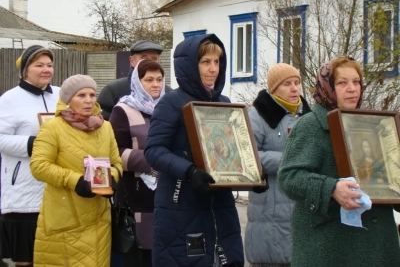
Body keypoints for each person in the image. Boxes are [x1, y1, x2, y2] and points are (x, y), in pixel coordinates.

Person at [277, 57, 400, 267]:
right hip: (329, 245)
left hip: (378, 244)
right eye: (342, 83)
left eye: (356, 82)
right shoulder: (311, 125)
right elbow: (289, 177)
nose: (352, 89)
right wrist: (331, 188)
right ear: (327, 87)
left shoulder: (373, 125)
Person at [144, 34, 247, 266]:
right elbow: (153, 150)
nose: (213, 69)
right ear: (190, 65)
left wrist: (252, 174)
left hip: (220, 206)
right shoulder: (171, 103)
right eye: (205, 62)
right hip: (180, 205)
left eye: (217, 62)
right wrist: (189, 171)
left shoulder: (224, 102)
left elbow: (235, 150)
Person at [29, 74, 123, 267]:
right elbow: (38, 166)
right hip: (66, 217)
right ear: (67, 100)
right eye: (81, 95)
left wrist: (111, 179)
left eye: (92, 94)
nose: (88, 100)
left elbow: (117, 162)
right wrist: (76, 181)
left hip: (99, 217)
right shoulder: (52, 128)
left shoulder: (105, 127)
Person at [245, 63, 311, 267]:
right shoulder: (256, 115)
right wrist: (289, 161)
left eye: (297, 83)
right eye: (287, 84)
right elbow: (249, 156)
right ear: (273, 89)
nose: (294, 88)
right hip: (268, 208)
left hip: (301, 205)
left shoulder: (308, 116)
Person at [0, 45, 60, 267]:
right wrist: (35, 144)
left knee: (52, 254)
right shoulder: (10, 99)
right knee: (26, 255)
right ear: (26, 70)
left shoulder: (62, 95)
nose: (46, 70)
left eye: (49, 65)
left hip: (56, 184)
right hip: (24, 187)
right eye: (39, 65)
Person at [109, 59, 166, 267]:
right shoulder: (123, 110)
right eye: (149, 79)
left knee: (162, 250)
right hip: (136, 194)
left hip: (167, 192)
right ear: (137, 81)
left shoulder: (169, 109)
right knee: (140, 254)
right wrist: (153, 159)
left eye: (159, 79)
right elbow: (115, 152)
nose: (155, 85)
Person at [98, 40, 171, 120]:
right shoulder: (113, 91)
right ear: (132, 61)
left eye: (154, 59)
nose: (149, 63)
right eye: (144, 59)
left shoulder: (169, 94)